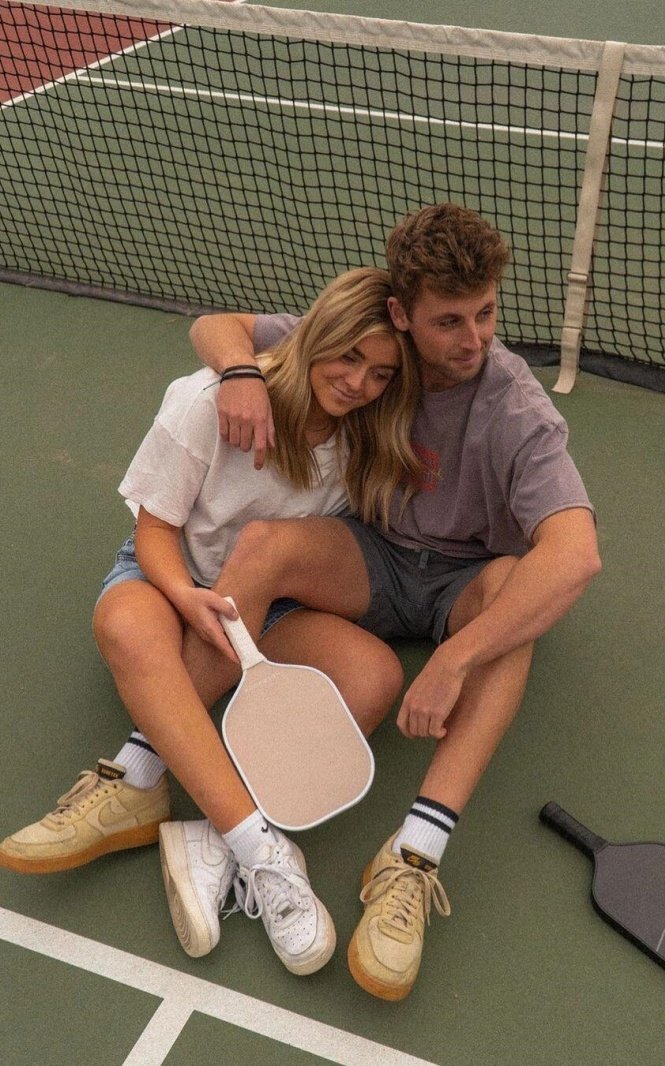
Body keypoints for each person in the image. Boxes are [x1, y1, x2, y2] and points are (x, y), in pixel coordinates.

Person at [176, 203, 601, 1000]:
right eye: (449, 321)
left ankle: (415, 851)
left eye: (485, 313)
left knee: (519, 605)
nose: (472, 339)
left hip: (462, 584)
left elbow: (577, 556)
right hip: (368, 558)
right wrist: (239, 373)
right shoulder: (372, 350)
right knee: (264, 544)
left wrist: (455, 657)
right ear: (402, 317)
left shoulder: (512, 404)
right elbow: (216, 325)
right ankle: (137, 765)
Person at [0, 267, 423, 977]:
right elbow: (155, 529)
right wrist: (185, 596)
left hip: (270, 607)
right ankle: (257, 846)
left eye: (379, 374)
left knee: (373, 675)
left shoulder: (363, 439)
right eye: (348, 356)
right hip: (166, 577)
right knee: (127, 630)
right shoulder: (204, 399)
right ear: (315, 333)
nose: (358, 382)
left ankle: (204, 834)